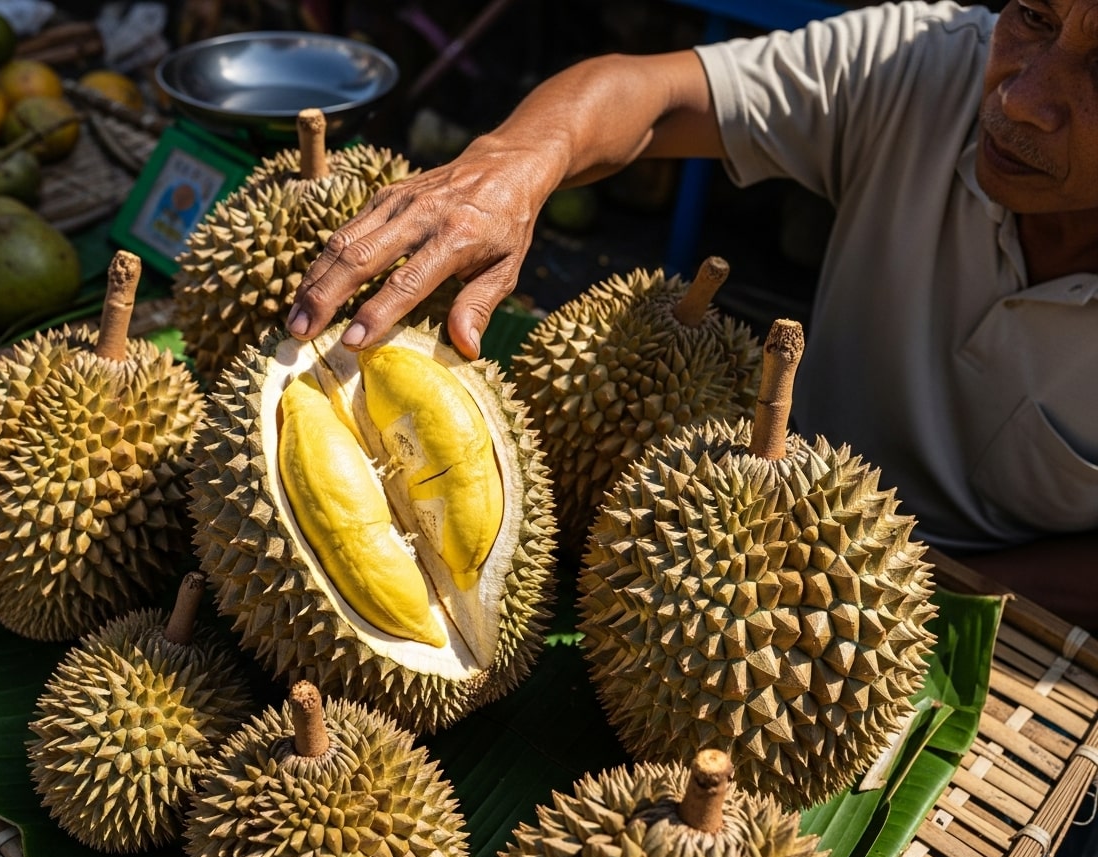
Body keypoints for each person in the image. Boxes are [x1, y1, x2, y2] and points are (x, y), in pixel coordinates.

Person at [284, 1, 1098, 624]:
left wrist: (890, 596)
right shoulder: (928, 66)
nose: (1025, 98)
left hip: (978, 620)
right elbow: (653, 92)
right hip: (735, 531)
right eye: (1033, 17)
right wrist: (514, 165)